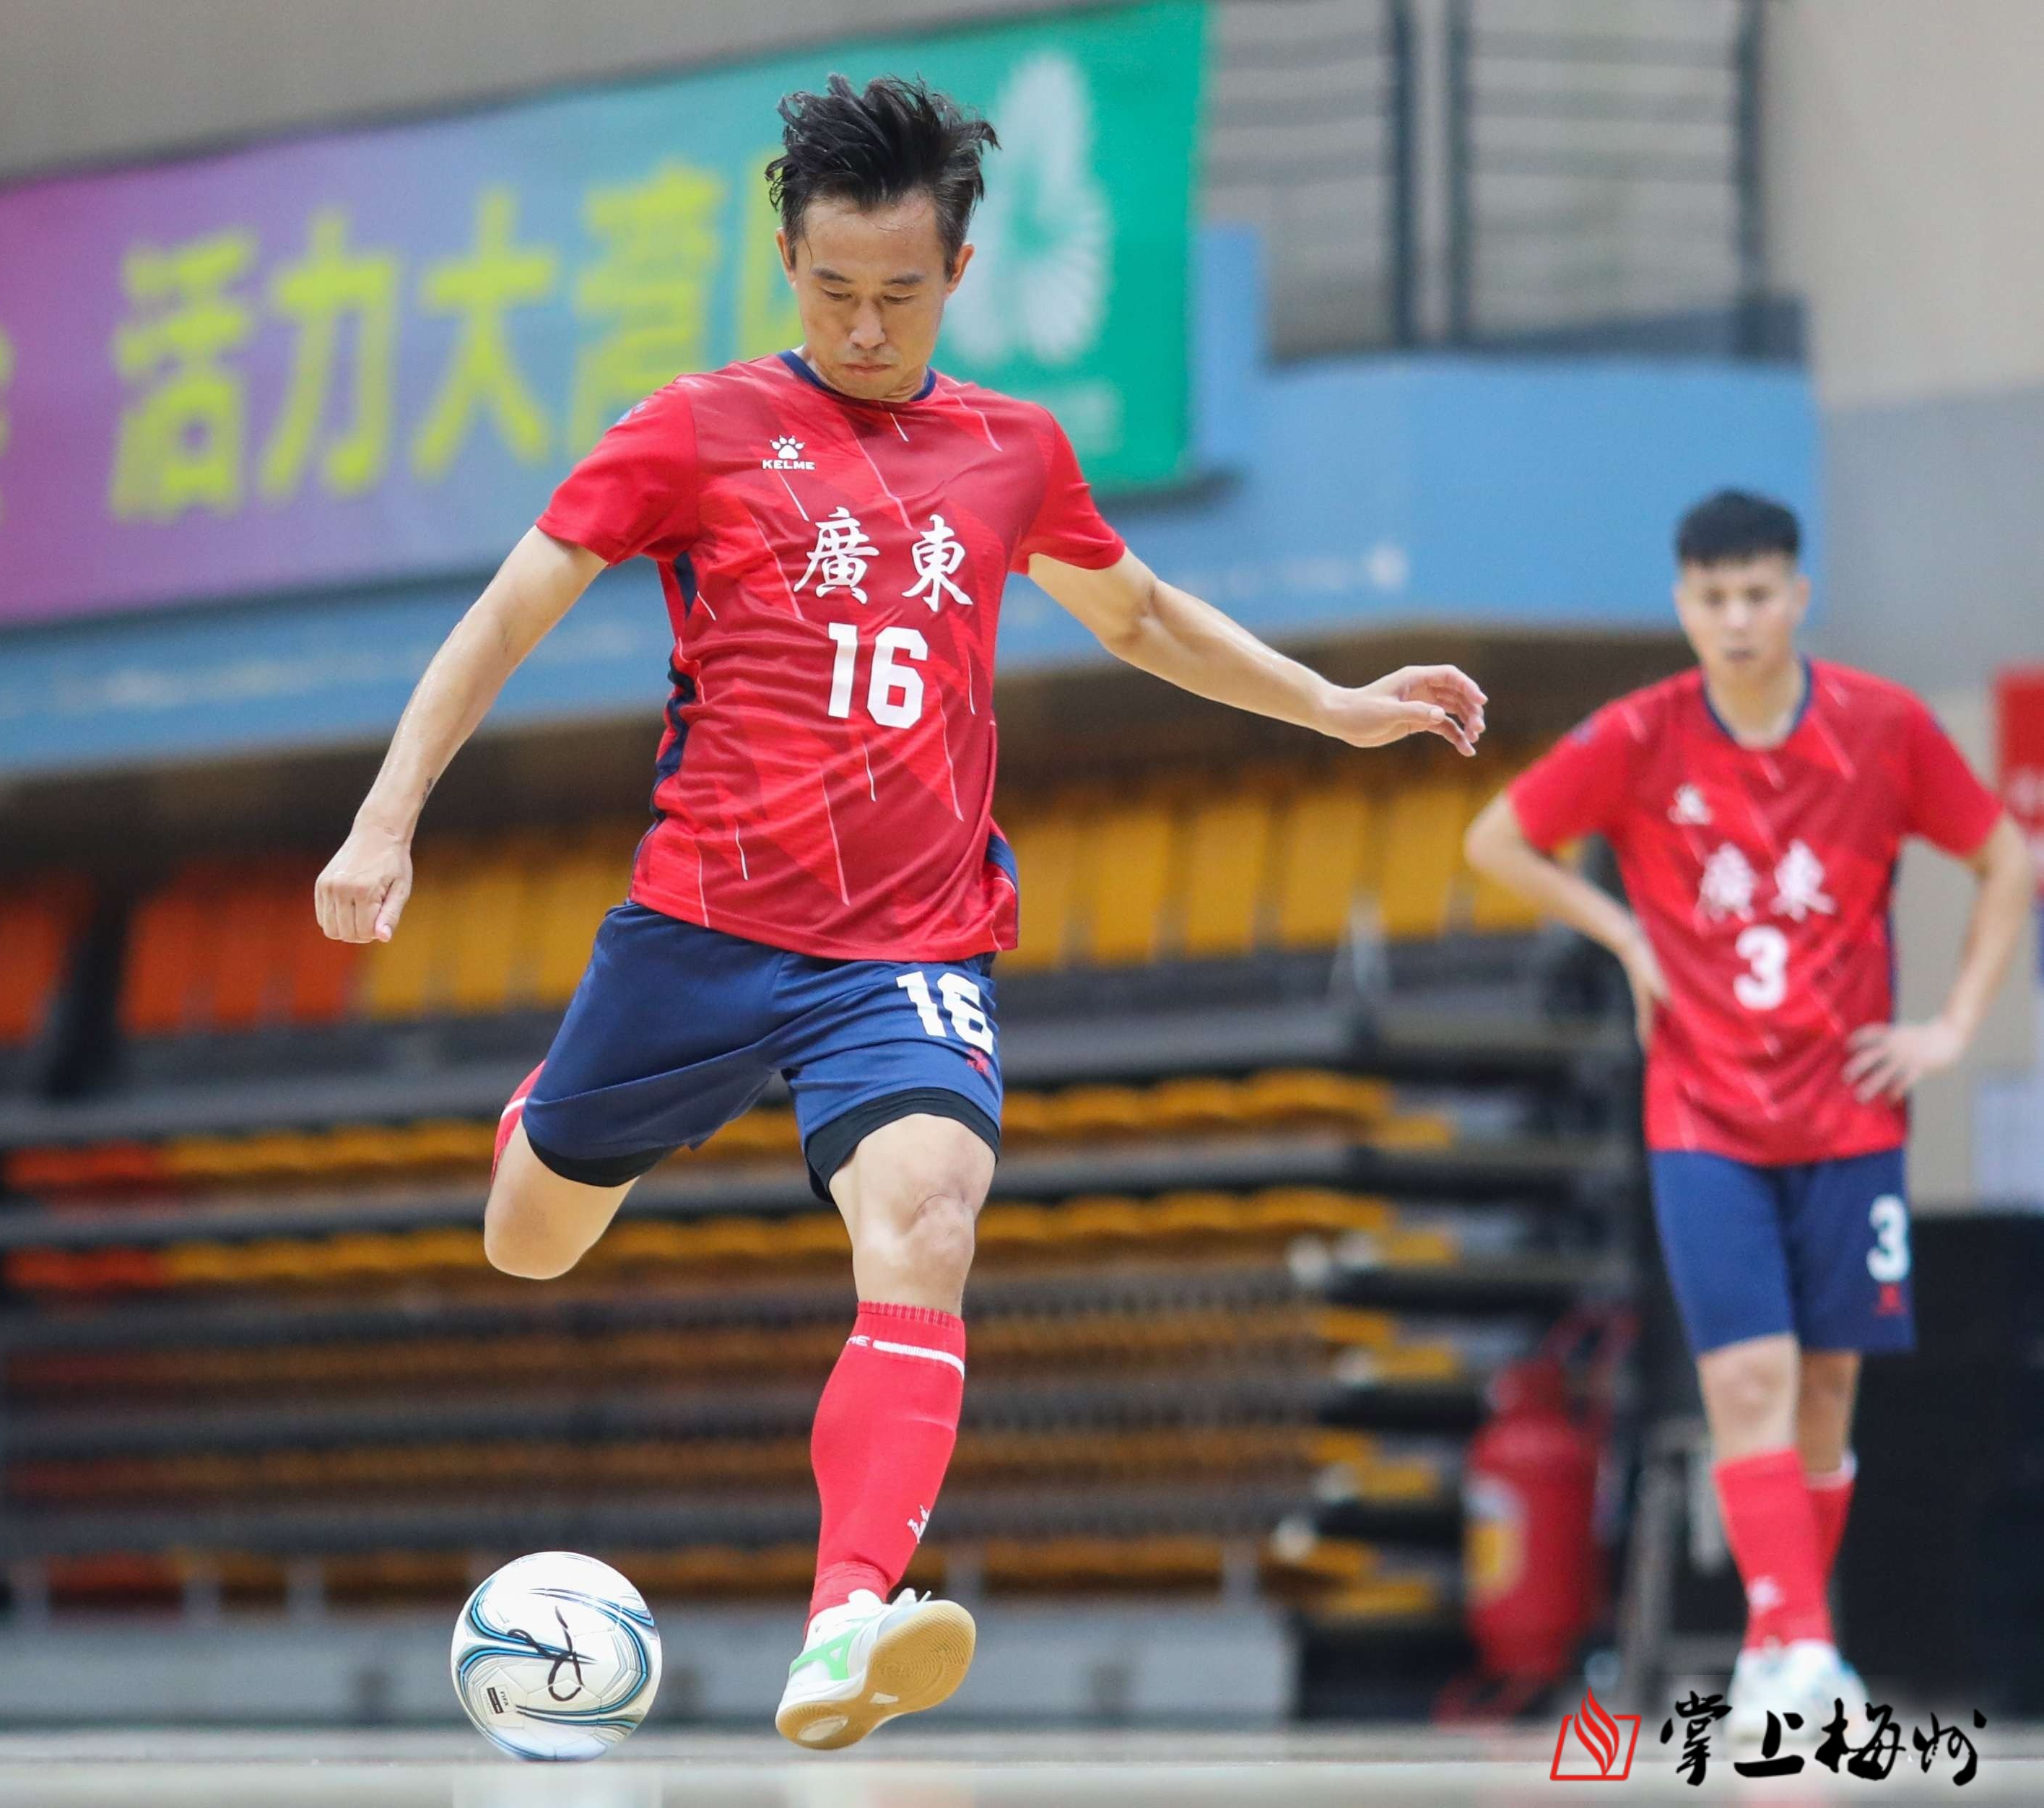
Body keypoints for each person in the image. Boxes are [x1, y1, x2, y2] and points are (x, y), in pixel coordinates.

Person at [316, 74, 1486, 1750]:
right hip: (699, 927)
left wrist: (1333, 704)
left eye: (902, 293)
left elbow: (1141, 616)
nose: (865, 328)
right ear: (787, 261)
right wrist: (385, 817)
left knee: (929, 1217)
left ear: (958, 273)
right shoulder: (693, 427)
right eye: (833, 290)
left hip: (905, 944)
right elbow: (509, 612)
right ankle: (546, 1112)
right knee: (529, 1235)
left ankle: (843, 1616)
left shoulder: (1013, 452)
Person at [1465, 490, 2032, 1724]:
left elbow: (2006, 858)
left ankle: (1784, 1642)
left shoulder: (1882, 727)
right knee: (1748, 1377)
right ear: (1683, 605)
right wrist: (1623, 932)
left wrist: (1949, 1027)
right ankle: (1801, 1644)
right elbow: (1496, 838)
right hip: (1702, 1113)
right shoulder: (1639, 733)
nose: (1736, 618)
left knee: (1825, 1388)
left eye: (1757, 594)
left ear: (1796, 596)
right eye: (1713, 597)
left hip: (1850, 1110)